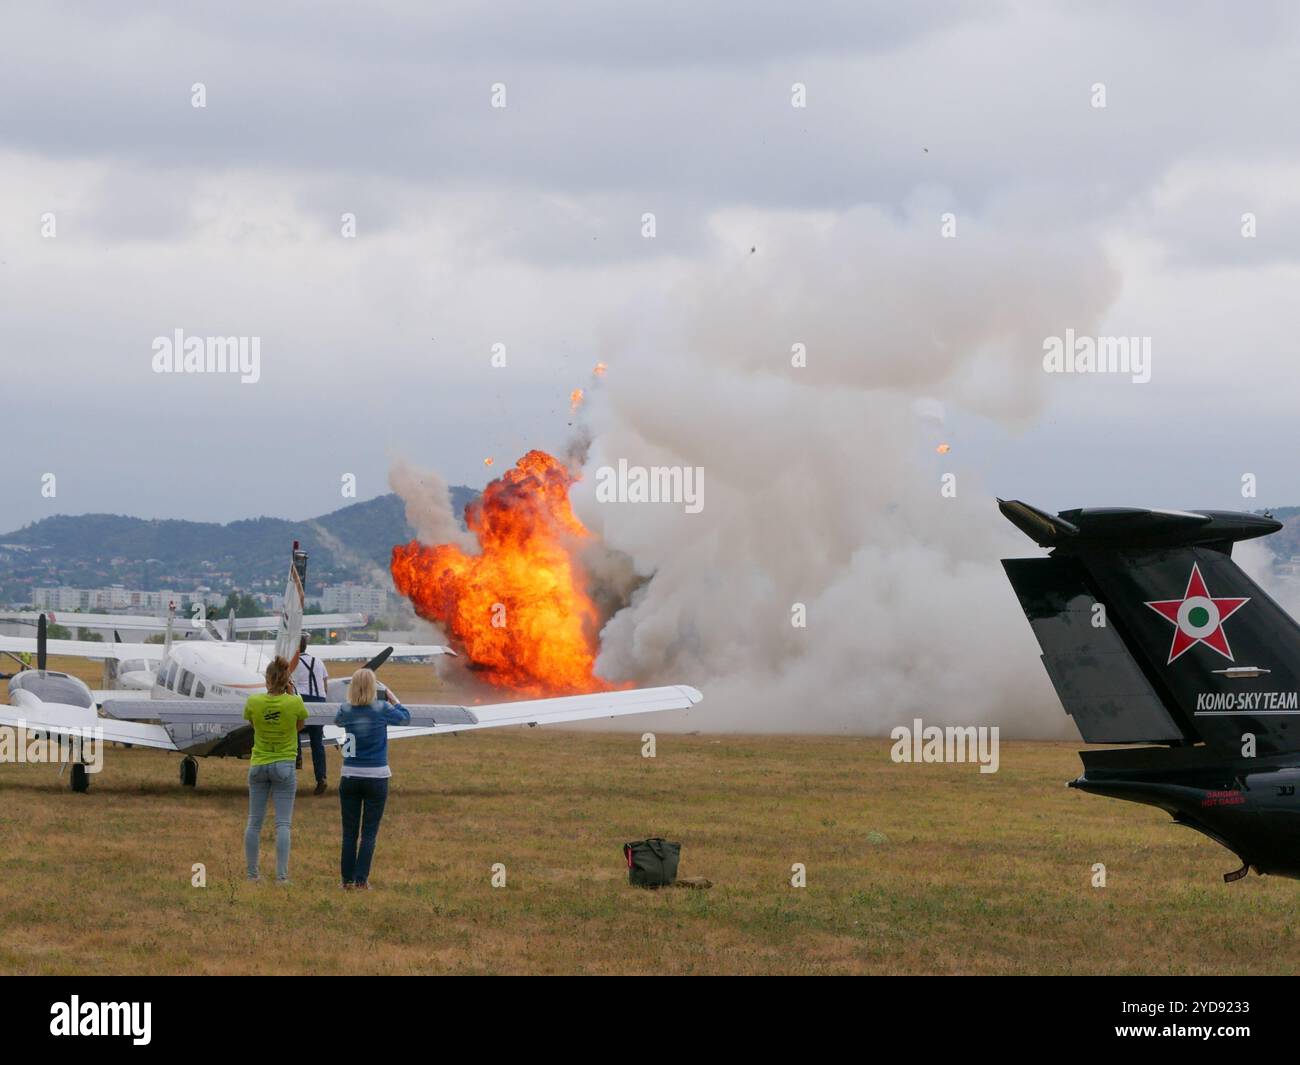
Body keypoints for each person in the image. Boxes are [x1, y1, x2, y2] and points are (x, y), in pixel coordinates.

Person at [334, 668, 410, 889]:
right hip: (377, 775)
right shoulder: (382, 708)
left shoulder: (346, 709)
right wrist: (394, 699)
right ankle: (361, 880)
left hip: (350, 774)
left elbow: (338, 721)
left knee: (349, 833)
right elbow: (405, 718)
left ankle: (346, 880)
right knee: (368, 833)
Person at [242, 656, 308, 883]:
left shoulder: (254, 702)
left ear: (267, 679)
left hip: (259, 763)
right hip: (284, 765)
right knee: (282, 824)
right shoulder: (295, 703)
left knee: (254, 822)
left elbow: (253, 723)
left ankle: (252, 874)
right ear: (287, 680)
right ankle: (281, 877)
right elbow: (299, 726)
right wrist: (291, 695)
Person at [292, 633, 331, 795]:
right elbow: (325, 685)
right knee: (317, 742)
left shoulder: (292, 664)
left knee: (293, 731)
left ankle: (298, 758)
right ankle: (321, 777)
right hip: (319, 701)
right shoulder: (318, 661)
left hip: (301, 700)